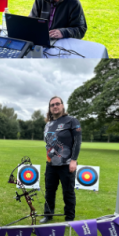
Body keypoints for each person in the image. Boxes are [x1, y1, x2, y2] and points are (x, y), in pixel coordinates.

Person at [40, 96, 82, 224]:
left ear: (62, 106)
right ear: (50, 108)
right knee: (49, 191)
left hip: (67, 164)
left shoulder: (72, 121)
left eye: (57, 104)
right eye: (52, 105)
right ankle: (48, 214)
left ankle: (69, 218)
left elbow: (77, 141)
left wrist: (74, 160)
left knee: (68, 192)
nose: (55, 106)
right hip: (51, 164)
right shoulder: (48, 124)